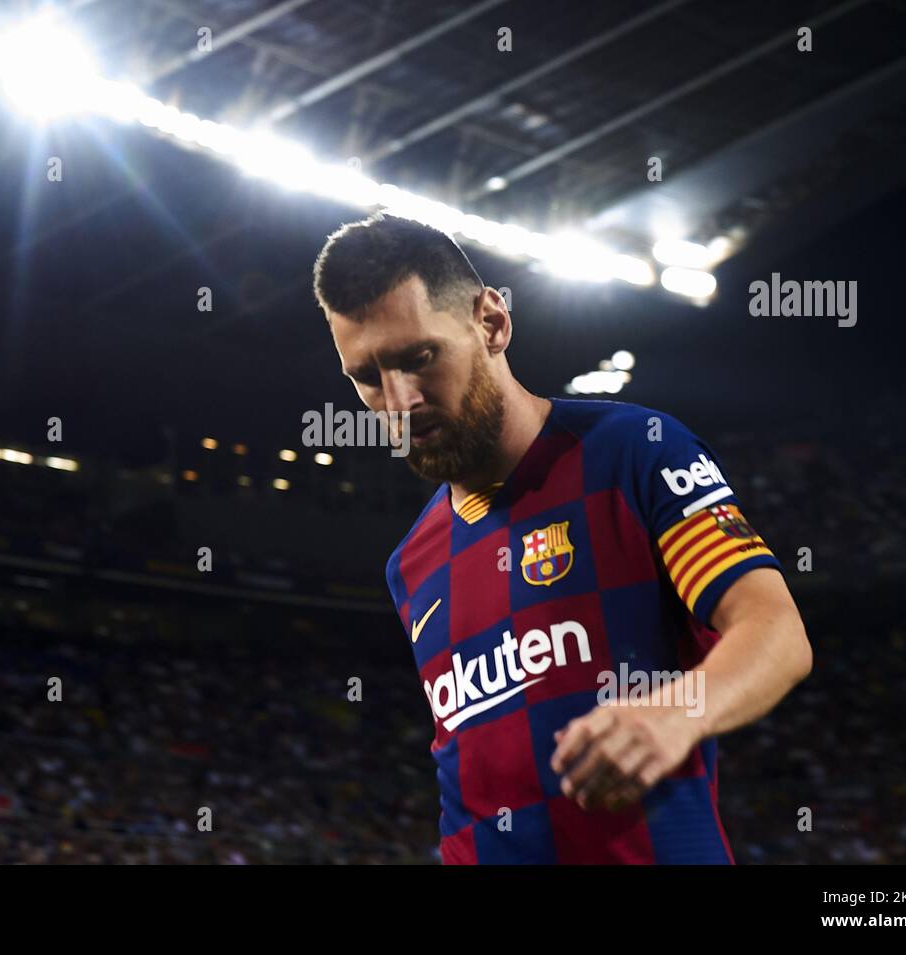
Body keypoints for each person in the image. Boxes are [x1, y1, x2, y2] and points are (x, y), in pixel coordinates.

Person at [312, 212, 812, 864]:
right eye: (368, 378)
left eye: (419, 357)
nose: (399, 400)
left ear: (491, 321)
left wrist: (678, 709)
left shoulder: (633, 452)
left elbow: (775, 630)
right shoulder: (410, 564)